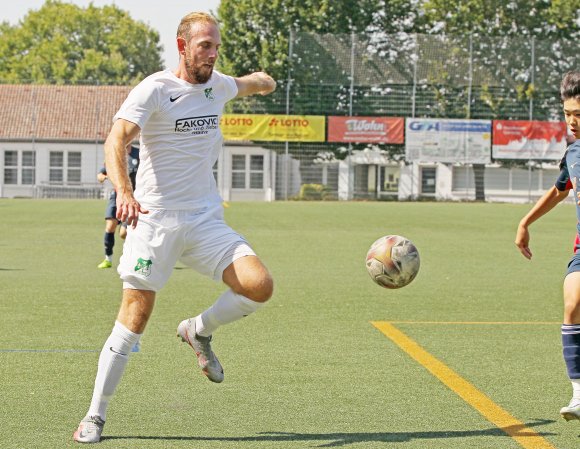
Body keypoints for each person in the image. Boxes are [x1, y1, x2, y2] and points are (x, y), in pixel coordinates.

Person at [73, 12, 276, 443]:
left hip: (204, 219)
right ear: (182, 47)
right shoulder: (155, 89)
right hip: (155, 220)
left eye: (217, 45)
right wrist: (124, 193)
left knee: (259, 285)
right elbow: (116, 139)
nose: (213, 53)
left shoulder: (218, 85)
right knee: (135, 317)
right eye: (205, 45)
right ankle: (95, 415)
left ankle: (198, 330)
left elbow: (248, 83)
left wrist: (263, 80)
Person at [515, 70, 580, 422]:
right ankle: (579, 395)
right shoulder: (574, 152)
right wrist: (526, 222)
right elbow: (561, 189)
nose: (572, 121)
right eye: (568, 113)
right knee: (572, 304)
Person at [96, 145, 140, 269]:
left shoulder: (139, 153)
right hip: (117, 196)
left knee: (123, 233)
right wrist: (103, 176)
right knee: (110, 226)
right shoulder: (114, 153)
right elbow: (101, 173)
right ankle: (108, 259)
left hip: (133, 198)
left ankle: (136, 255)